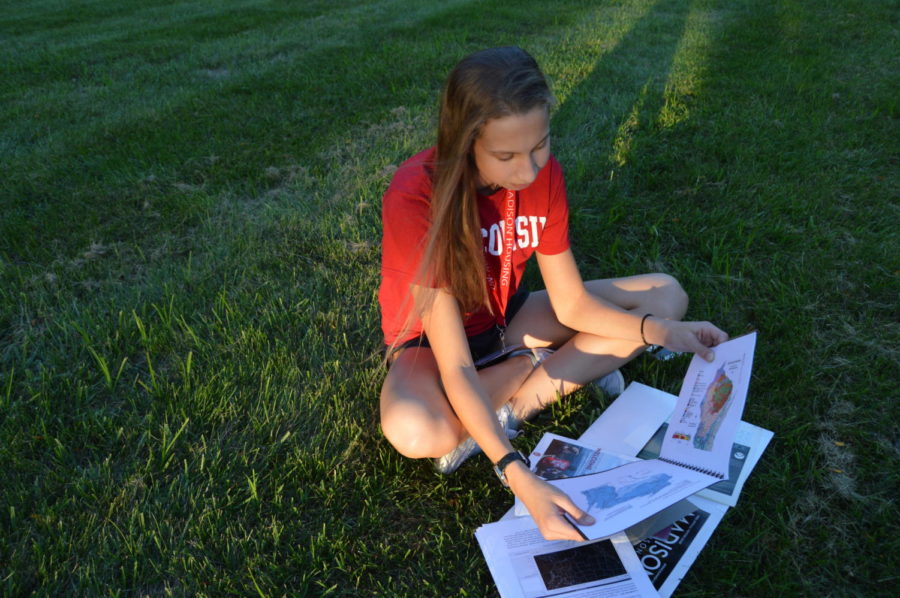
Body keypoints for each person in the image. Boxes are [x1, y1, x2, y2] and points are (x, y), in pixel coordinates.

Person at [378, 46, 727, 541]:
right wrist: (518, 474)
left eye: (540, 145)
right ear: (465, 142)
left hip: (507, 319)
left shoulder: (546, 176)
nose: (528, 170)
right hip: (431, 347)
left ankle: (511, 407)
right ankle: (537, 366)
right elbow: (454, 363)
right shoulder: (415, 196)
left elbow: (572, 304)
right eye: (506, 156)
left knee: (665, 294)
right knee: (418, 432)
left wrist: (661, 331)